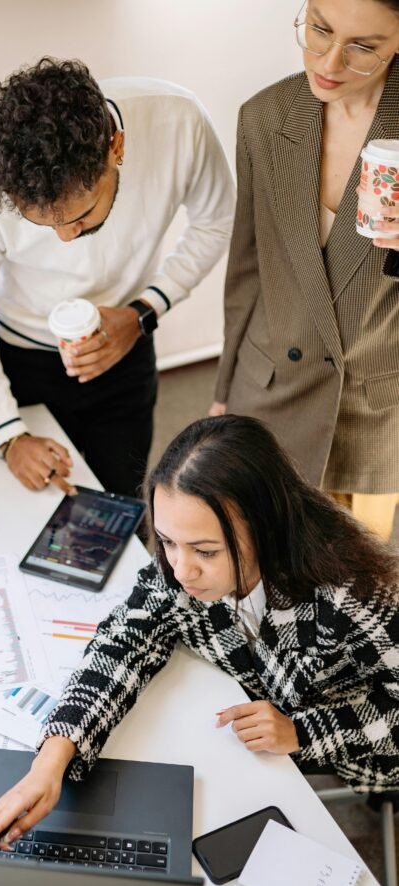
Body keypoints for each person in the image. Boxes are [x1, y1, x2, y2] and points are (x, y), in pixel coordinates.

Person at [0, 415, 399, 852]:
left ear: (266, 528)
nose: (180, 570)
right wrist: (51, 762)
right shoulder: (182, 562)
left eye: (206, 551)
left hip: (360, 754)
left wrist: (303, 733)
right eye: (167, 541)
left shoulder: (356, 594)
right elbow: (124, 641)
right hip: (262, 722)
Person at [0, 58, 235, 499]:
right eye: (42, 224)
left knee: (122, 506)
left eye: (78, 217)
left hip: (126, 346)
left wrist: (144, 311)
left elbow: (217, 220)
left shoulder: (178, 121)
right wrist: (9, 433)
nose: (64, 238)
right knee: (23, 512)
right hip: (16, 363)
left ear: (116, 148)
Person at [211, 0, 399, 540]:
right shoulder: (264, 116)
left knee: (358, 577)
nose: (330, 61)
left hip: (375, 398)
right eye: (319, 29)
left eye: (363, 47)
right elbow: (246, 265)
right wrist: (225, 386)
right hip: (273, 383)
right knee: (267, 549)